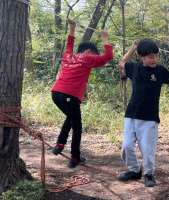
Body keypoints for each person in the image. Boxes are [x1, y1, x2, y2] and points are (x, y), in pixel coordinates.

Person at [117, 39, 169, 187]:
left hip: (149, 117)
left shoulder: (160, 70)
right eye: (150, 56)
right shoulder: (134, 68)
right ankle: (134, 170)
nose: (154, 59)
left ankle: (148, 174)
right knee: (127, 146)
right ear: (142, 57)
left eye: (155, 56)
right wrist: (133, 47)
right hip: (131, 114)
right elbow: (121, 63)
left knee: (147, 148)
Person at [51, 19, 114, 168]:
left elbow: (69, 44)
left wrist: (72, 28)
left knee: (71, 119)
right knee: (77, 126)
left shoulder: (69, 57)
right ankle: (75, 157)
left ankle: (59, 145)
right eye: (94, 54)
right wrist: (105, 38)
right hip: (69, 96)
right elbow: (108, 57)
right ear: (88, 51)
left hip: (55, 93)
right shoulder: (87, 57)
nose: (94, 57)